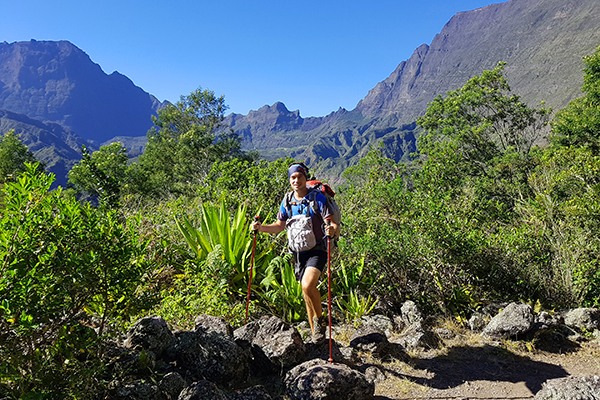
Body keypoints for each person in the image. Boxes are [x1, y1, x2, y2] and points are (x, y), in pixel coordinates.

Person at [252, 163, 338, 343]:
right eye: (293, 177)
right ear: (289, 180)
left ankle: (320, 321)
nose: (296, 180)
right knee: (306, 292)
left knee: (307, 285)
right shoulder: (287, 200)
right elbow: (279, 226)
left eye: (299, 177)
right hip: (298, 252)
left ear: (305, 178)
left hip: (318, 249)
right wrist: (261, 228)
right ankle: (316, 334)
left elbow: (332, 223)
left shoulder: (318, 198)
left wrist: (332, 230)